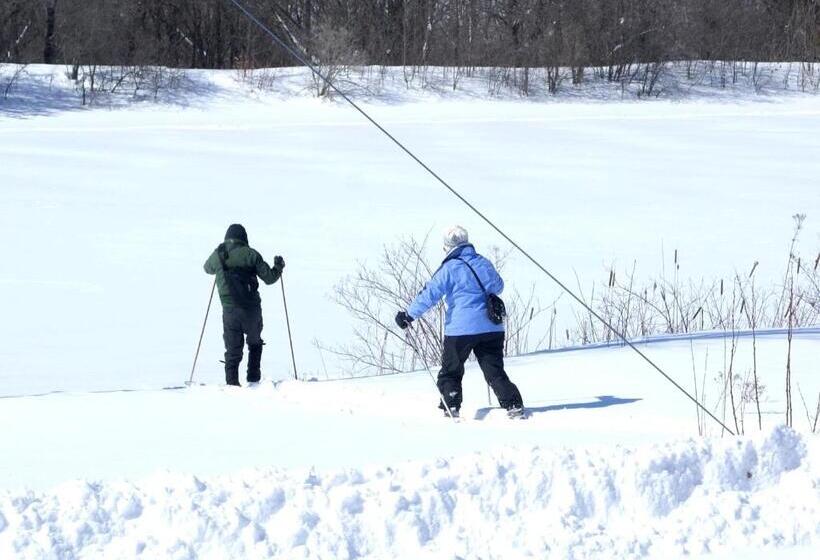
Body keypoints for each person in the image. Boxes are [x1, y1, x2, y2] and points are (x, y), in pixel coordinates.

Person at [395, 226, 524, 418]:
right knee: (494, 370)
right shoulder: (483, 262)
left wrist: (409, 315)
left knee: (451, 371)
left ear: (447, 246)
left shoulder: (449, 268)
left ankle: (452, 405)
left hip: (461, 330)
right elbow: (498, 286)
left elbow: (430, 294)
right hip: (491, 327)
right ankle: (513, 403)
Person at [204, 224, 284, 386]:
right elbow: (269, 278)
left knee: (232, 349)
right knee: (254, 342)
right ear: (244, 238)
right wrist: (278, 267)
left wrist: (219, 256)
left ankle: (232, 385)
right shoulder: (251, 254)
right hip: (251, 309)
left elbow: (207, 268)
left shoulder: (219, 254)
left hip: (229, 309)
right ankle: (253, 380)